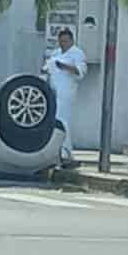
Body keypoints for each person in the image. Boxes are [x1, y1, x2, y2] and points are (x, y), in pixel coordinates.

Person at [43, 27, 87, 167]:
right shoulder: (55, 53)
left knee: (63, 121)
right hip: (54, 91)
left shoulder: (77, 53)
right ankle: (56, 151)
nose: (63, 44)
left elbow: (81, 71)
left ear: (72, 40)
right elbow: (46, 69)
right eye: (61, 41)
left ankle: (66, 151)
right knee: (53, 120)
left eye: (66, 41)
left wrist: (65, 67)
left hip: (66, 93)